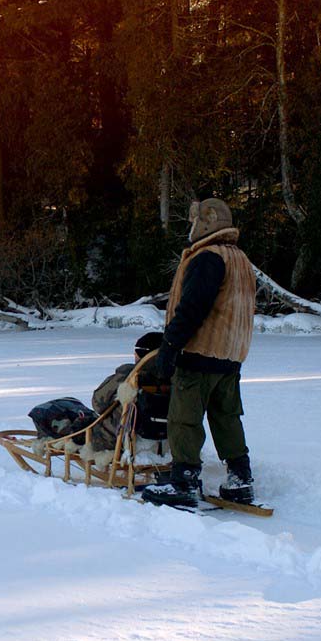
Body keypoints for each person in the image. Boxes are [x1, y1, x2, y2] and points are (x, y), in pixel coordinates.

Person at [141, 199, 257, 508]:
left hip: (201, 351)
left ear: (206, 223)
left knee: (184, 418)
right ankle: (240, 479)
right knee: (226, 416)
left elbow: (193, 308)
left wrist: (170, 344)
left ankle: (184, 481)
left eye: (194, 222)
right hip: (231, 354)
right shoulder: (240, 259)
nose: (191, 228)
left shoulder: (208, 257)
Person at [87, 331, 166, 465]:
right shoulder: (176, 379)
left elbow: (98, 403)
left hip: (123, 438)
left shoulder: (128, 377)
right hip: (167, 438)